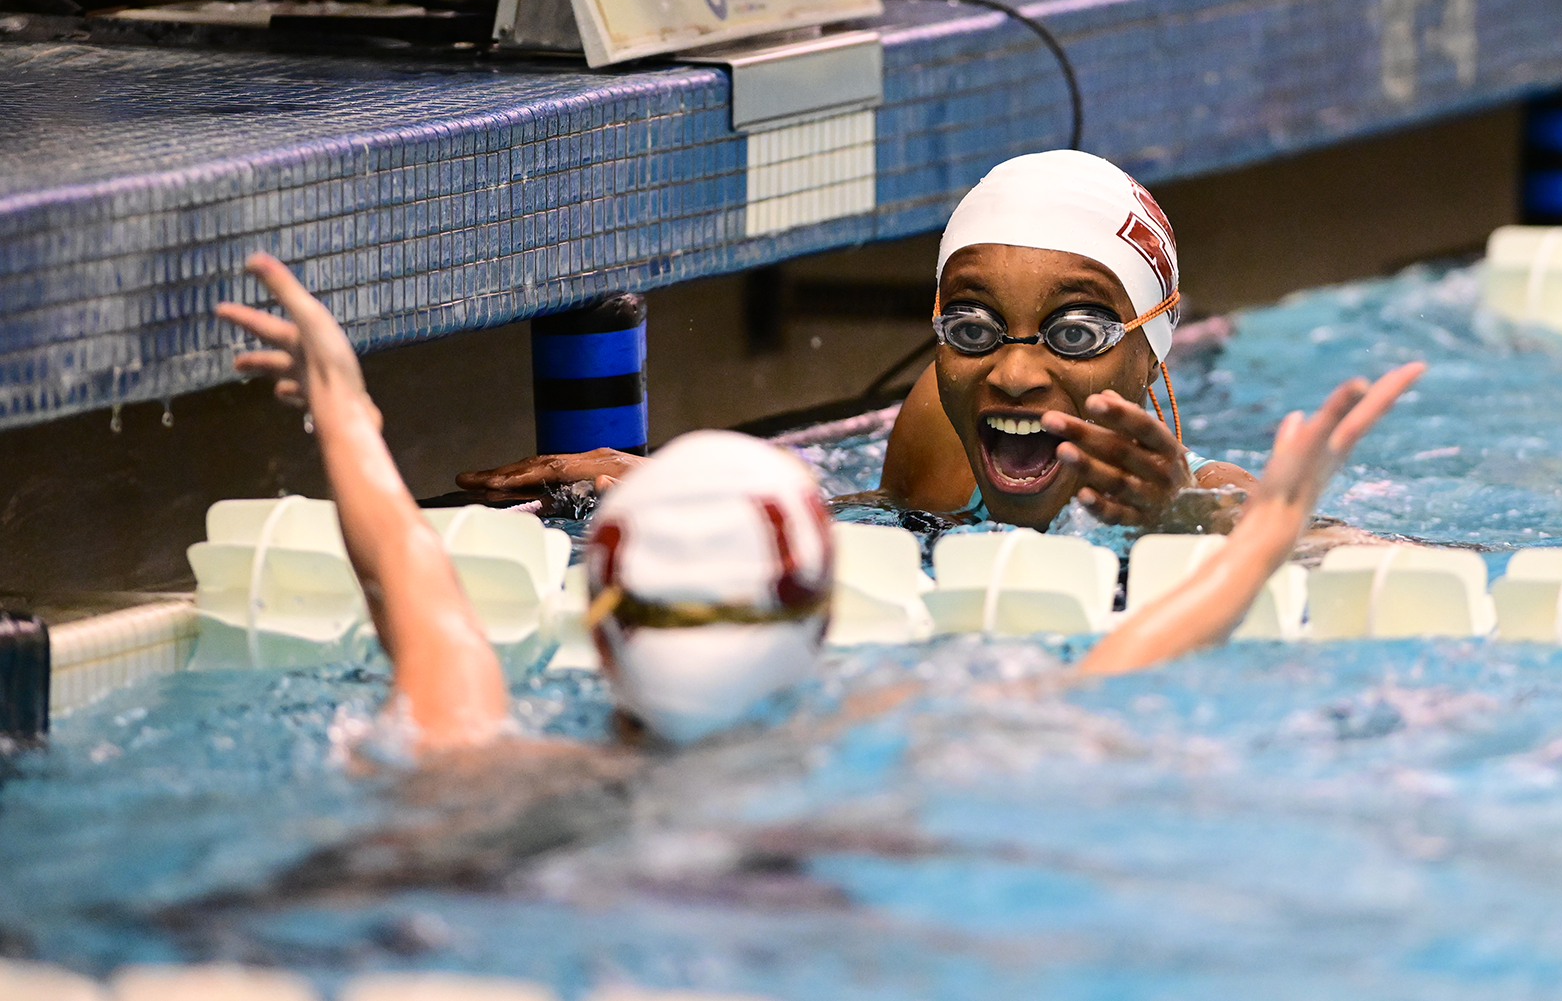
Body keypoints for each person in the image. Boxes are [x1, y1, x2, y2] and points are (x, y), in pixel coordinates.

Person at [219, 252, 1422, 758]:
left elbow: (422, 600)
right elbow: (1117, 663)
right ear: (816, 620)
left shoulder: (487, 753)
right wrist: (1261, 533)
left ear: (592, 613)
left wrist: (346, 405)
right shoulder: (861, 740)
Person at [459, 151, 1363, 538]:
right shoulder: (946, 437)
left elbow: (1418, 569)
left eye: (1077, 331)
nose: (1011, 370)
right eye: (970, 327)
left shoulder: (1215, 505)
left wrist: (1178, 521)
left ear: (1151, 350)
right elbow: (872, 523)